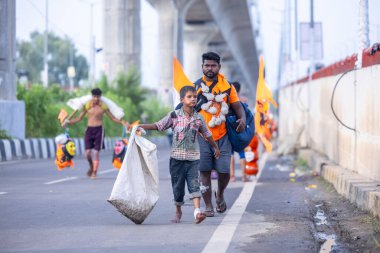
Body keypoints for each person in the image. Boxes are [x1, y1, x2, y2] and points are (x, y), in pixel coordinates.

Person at [138, 86, 220, 224]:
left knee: (194, 184)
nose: (193, 99)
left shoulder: (199, 118)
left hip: (193, 158)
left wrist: (215, 147)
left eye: (195, 96)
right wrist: (140, 126)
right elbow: (158, 126)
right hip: (176, 159)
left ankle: (197, 212)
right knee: (178, 188)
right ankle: (178, 211)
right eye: (189, 96)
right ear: (182, 99)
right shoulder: (174, 115)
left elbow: (207, 134)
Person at [196, 52, 246, 217]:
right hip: (202, 137)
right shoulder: (196, 87)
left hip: (222, 136)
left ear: (219, 67)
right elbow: (185, 107)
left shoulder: (227, 87)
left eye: (213, 65)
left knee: (225, 172)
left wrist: (243, 119)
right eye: (207, 65)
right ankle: (208, 206)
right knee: (204, 171)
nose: (210, 69)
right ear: (202, 67)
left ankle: (221, 194)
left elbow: (238, 107)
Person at [62, 88, 129, 179]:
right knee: (88, 153)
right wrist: (67, 122)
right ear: (92, 96)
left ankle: (94, 172)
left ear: (100, 97)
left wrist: (123, 122)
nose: (96, 98)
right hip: (89, 130)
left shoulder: (103, 106)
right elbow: (79, 118)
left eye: (98, 97)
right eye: (94, 96)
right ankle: (91, 166)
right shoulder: (88, 105)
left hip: (99, 130)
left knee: (96, 152)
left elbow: (113, 118)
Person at [229, 81, 250, 182]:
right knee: (242, 153)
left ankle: (232, 176)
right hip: (242, 129)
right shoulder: (244, 100)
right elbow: (247, 115)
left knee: (231, 153)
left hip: (231, 129)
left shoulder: (229, 99)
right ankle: (244, 176)